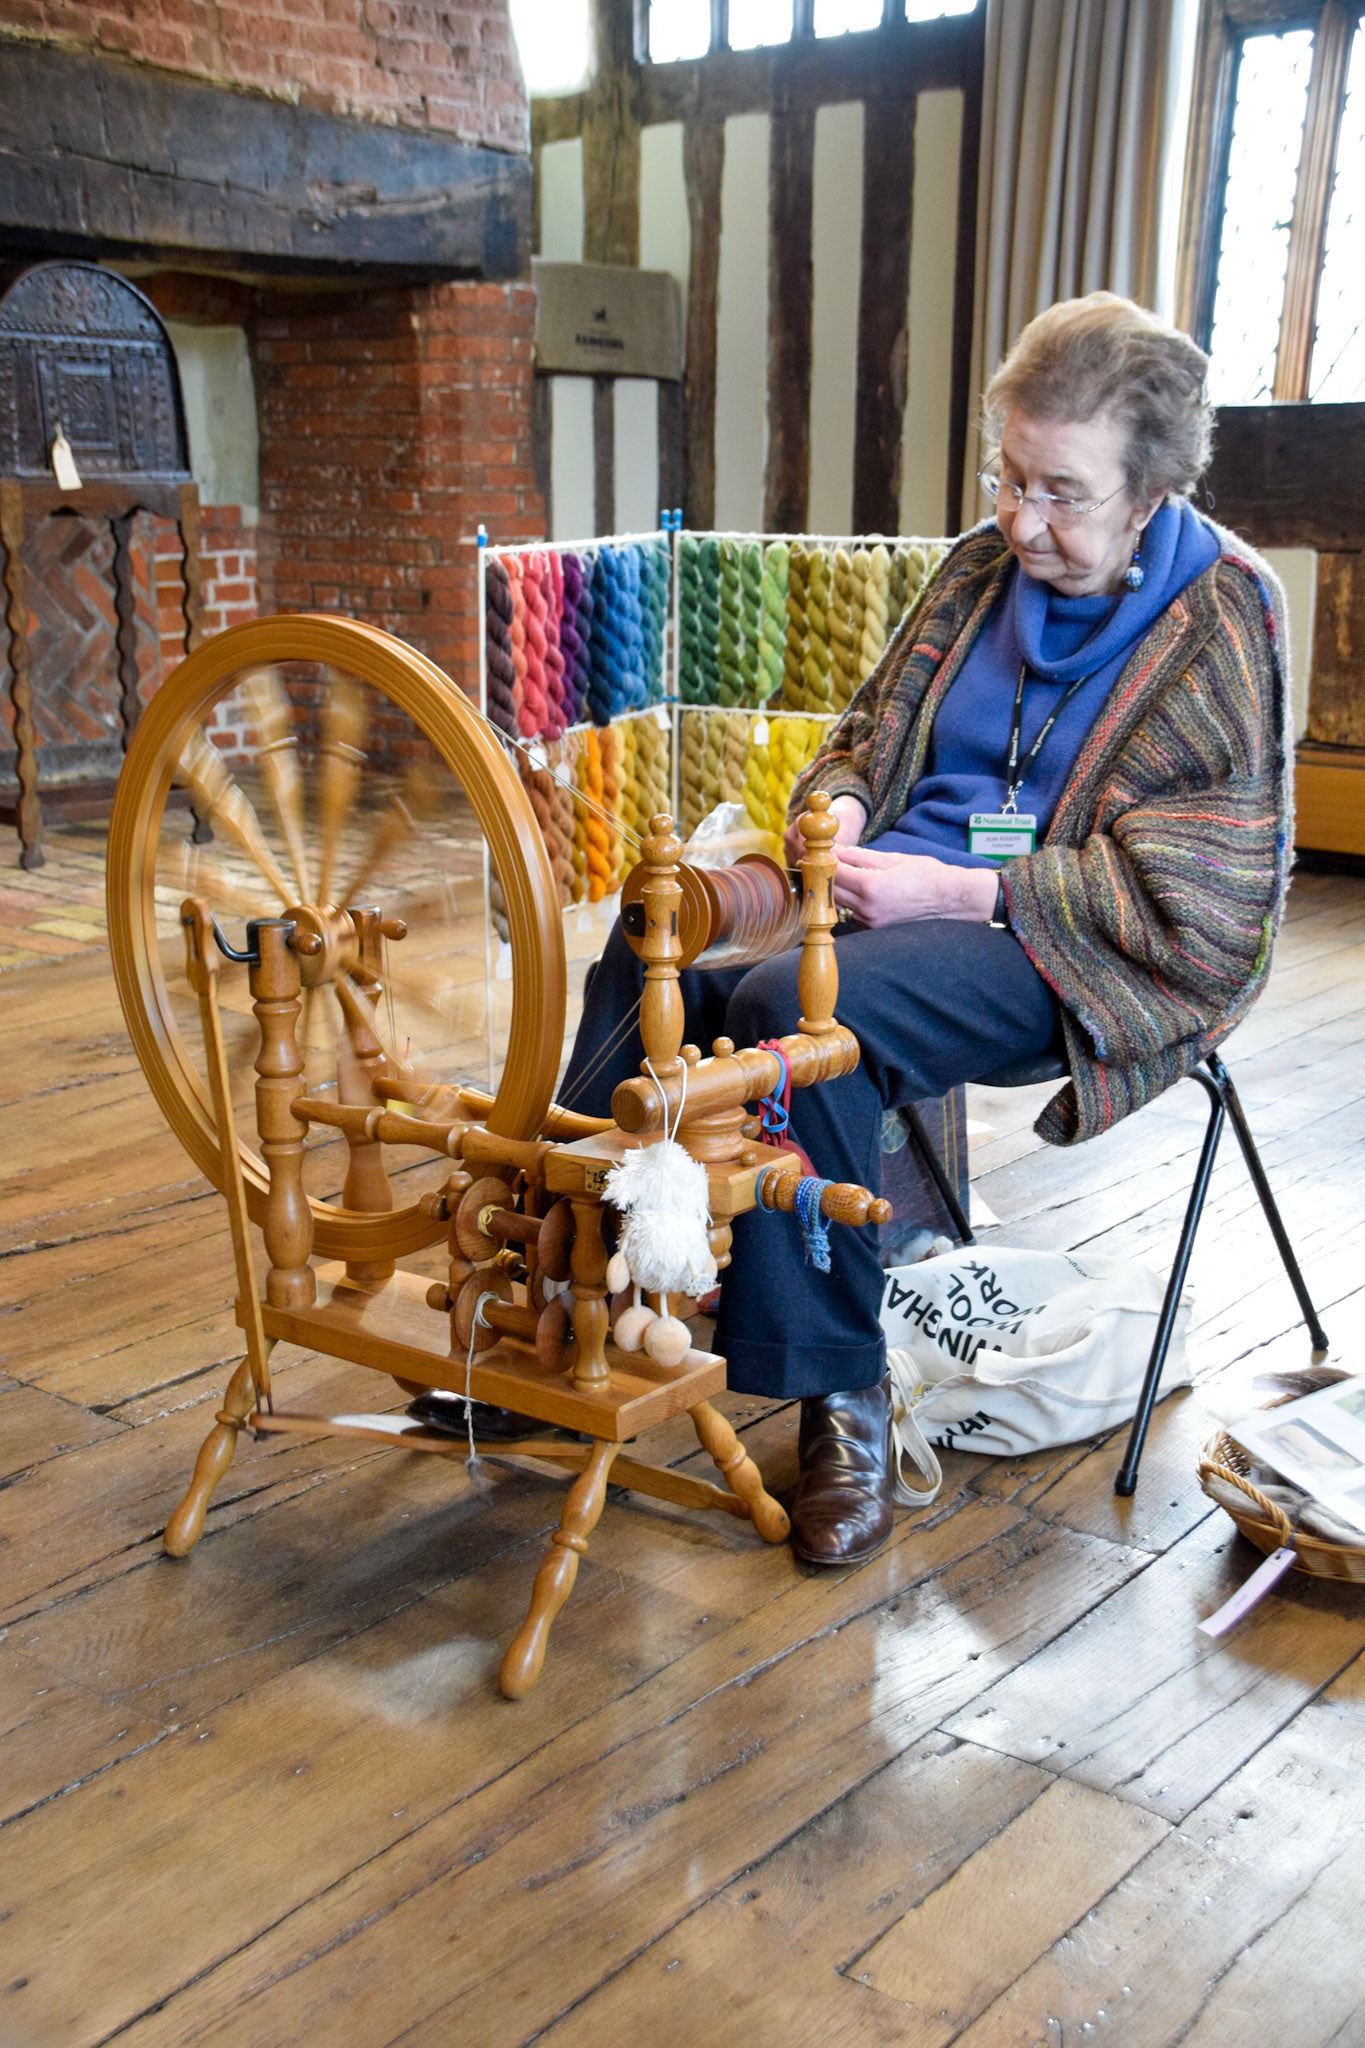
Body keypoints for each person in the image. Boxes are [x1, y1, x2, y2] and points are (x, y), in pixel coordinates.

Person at [559, 291, 1292, 1566]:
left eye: (1062, 492)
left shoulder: (1228, 614)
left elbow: (1215, 898)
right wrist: (839, 809)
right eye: (1008, 478)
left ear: (1152, 490)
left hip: (1058, 947)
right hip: (880, 889)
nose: (1021, 520)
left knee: (788, 1011)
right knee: (657, 927)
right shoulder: (975, 571)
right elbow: (860, 738)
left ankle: (834, 1387)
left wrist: (959, 891)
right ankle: (557, 1280)